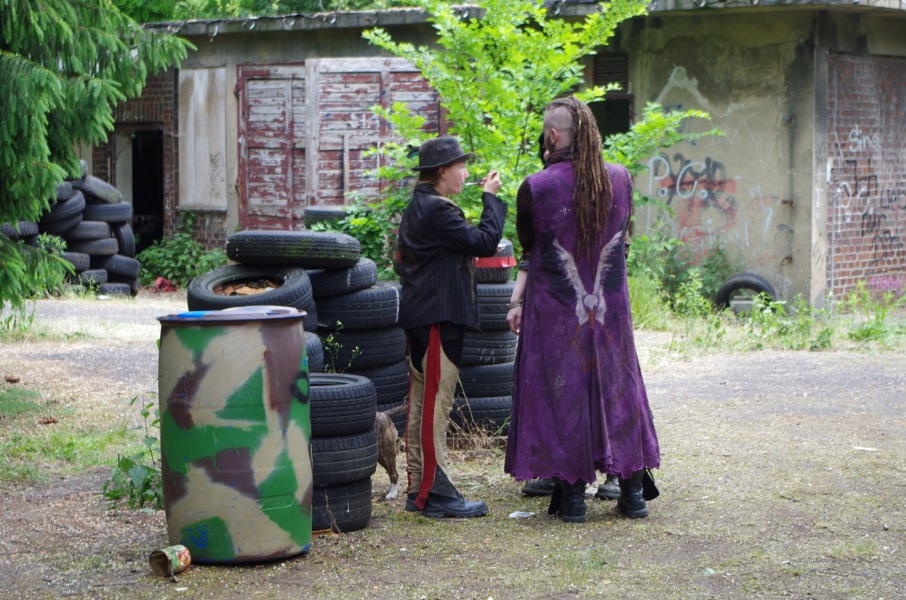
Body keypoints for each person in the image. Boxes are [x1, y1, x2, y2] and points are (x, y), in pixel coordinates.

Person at [504, 96, 661, 523]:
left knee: (562, 393)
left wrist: (516, 300)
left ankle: (572, 498)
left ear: (553, 136)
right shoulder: (621, 179)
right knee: (620, 391)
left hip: (557, 315)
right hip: (612, 313)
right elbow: (623, 239)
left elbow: (531, 245)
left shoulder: (536, 188)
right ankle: (633, 494)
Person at [397, 135, 506, 519]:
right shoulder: (438, 209)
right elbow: (486, 242)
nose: (466, 172)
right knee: (435, 407)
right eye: (461, 165)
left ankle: (419, 488)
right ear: (443, 171)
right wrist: (490, 198)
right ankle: (437, 492)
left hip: (423, 315)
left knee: (422, 404)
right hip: (438, 317)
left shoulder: (421, 205)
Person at [519, 132, 621, 502]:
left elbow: (617, 247)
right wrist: (516, 301)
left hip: (597, 310)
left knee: (605, 387)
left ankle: (616, 472)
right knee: (563, 389)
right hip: (562, 312)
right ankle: (560, 472)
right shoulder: (546, 191)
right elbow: (534, 251)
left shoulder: (609, 185)